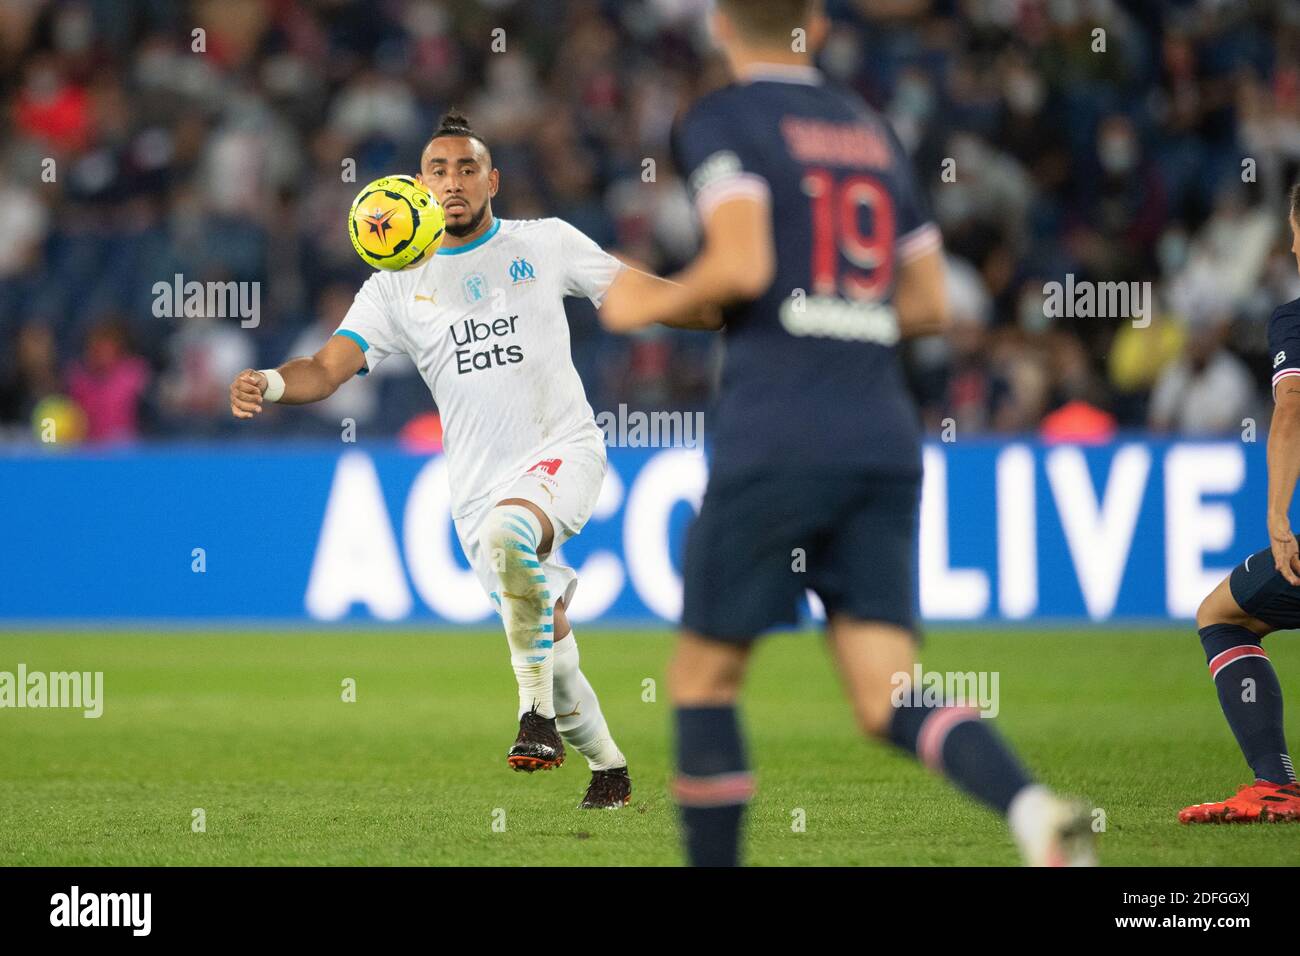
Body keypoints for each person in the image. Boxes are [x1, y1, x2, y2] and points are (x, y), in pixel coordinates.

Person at [599, 0, 1095, 864]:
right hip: (881, 436)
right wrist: (834, 316)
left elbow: (744, 262)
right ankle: (1030, 810)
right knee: (885, 695)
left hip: (778, 432)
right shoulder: (869, 130)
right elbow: (930, 304)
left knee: (703, 680)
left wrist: (646, 298)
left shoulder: (720, 117)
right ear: (816, 26)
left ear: (719, 24)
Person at [229, 111, 693, 809]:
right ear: (419, 185)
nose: (454, 182)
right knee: (547, 633)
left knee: (514, 542)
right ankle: (610, 768)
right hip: (476, 488)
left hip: (563, 449)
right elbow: (326, 369)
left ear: (493, 181)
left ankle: (532, 721)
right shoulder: (393, 284)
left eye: (468, 168)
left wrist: (724, 303)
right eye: (439, 171)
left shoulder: (544, 242)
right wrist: (267, 381)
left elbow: (636, 294)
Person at [1179, 184, 1300, 823]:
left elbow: (1289, 409)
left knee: (1221, 615)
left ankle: (1275, 785)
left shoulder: (1295, 319)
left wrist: (1278, 515)